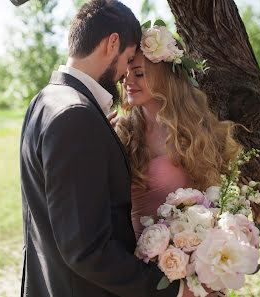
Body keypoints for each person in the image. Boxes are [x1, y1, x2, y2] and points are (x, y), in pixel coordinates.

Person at [19, 1, 184, 297]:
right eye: (129, 58)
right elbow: (87, 250)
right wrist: (169, 291)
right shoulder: (76, 116)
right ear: (112, 43)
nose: (124, 75)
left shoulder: (44, 101)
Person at [110, 24, 241, 297]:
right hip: (135, 264)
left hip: (189, 261)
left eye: (139, 74)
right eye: (125, 74)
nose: (128, 82)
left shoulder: (194, 131)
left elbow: (214, 203)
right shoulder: (120, 131)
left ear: (164, 78)